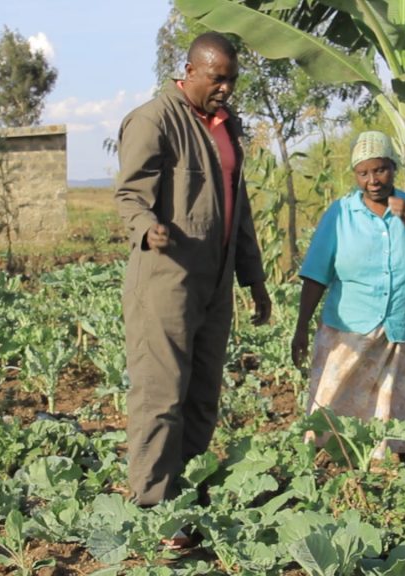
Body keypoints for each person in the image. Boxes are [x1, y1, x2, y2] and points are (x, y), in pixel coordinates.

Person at [114, 32, 271, 520]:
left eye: (232, 79)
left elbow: (236, 210)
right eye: (217, 78)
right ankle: (152, 509)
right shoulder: (154, 119)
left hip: (215, 282)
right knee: (161, 397)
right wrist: (146, 228)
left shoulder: (226, 126)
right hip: (167, 280)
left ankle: (187, 494)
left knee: (203, 395)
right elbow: (128, 196)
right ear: (190, 69)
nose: (226, 88)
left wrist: (254, 279)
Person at [291, 130, 405, 464]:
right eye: (363, 173)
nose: (373, 180)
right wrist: (300, 327)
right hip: (348, 331)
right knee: (331, 407)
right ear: (355, 176)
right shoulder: (340, 213)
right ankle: (325, 472)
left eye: (379, 170)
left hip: (401, 328)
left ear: (392, 168)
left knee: (399, 410)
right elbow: (315, 275)